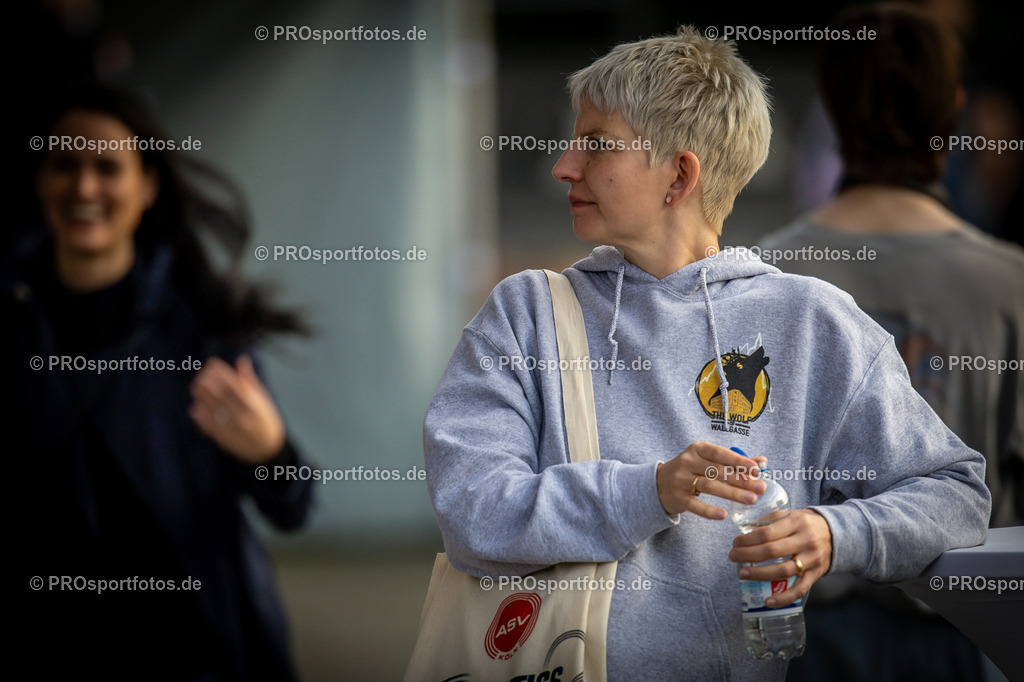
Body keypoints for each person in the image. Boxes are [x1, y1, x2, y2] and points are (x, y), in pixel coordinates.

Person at [421, 25, 991, 680]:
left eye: (595, 144)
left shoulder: (813, 321)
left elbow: (957, 498)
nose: (563, 167)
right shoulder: (525, 313)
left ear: (679, 175)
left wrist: (836, 536)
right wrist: (651, 490)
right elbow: (472, 513)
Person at [5, 83, 314, 681]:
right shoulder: (11, 322)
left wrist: (271, 452)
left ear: (146, 186)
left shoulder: (204, 334)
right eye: (65, 164)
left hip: (191, 655)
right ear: (41, 180)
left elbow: (293, 506)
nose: (85, 187)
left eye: (107, 166)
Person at [760, 4, 1023, 680]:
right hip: (969, 638)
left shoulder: (759, 278)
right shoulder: (1009, 286)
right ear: (954, 111)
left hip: (799, 638)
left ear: (834, 110)